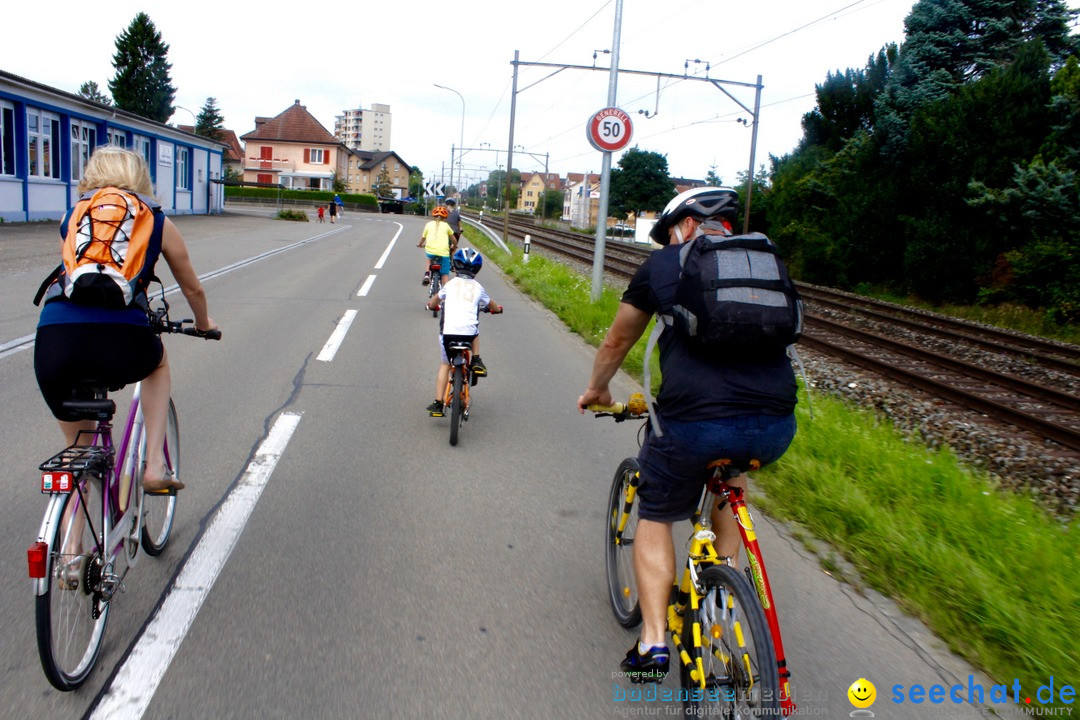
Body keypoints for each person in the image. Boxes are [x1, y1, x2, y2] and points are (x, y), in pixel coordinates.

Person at [576, 186, 797, 683]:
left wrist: (597, 389)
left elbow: (617, 339)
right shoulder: (763, 266)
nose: (668, 241)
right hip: (775, 424)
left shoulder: (663, 266)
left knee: (654, 513)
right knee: (732, 475)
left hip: (692, 424)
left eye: (669, 232)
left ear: (687, 224)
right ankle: (720, 587)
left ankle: (654, 643)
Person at [34, 146, 219, 493]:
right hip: (122, 338)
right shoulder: (155, 218)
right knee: (158, 364)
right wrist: (204, 323)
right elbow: (192, 289)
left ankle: (72, 541)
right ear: (141, 179)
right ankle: (154, 467)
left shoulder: (73, 216)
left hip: (54, 340)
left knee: (79, 453)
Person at [425, 248, 501, 415]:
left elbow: (435, 300)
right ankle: (476, 359)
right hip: (468, 334)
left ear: (455, 266)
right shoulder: (478, 287)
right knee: (473, 329)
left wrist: (431, 305)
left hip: (448, 333)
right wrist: (497, 309)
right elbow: (492, 304)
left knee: (445, 364)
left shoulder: (450, 284)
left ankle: (438, 403)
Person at [418, 204, 457, 287]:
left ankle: (427, 274)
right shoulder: (446, 226)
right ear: (445, 217)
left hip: (431, 251)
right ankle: (446, 293)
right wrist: (454, 245)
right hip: (444, 253)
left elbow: (423, 238)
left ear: (434, 216)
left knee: (429, 259)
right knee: (445, 274)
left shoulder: (428, 225)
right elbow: (454, 240)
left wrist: (420, 244)